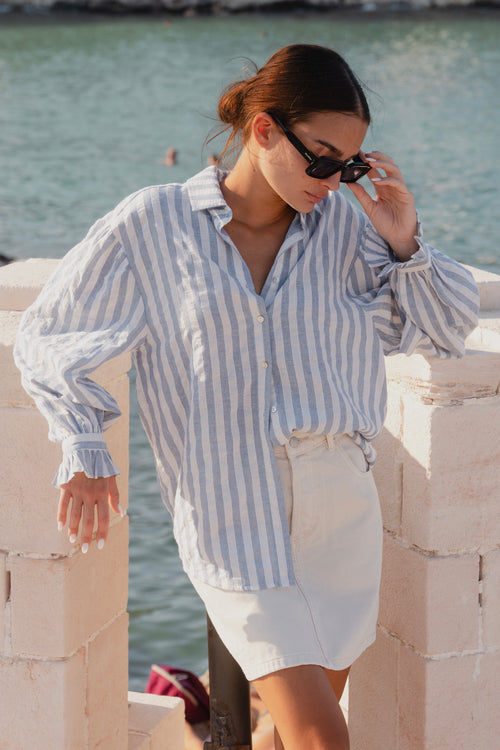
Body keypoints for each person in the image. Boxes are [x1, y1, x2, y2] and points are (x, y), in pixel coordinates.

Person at [14, 44, 479, 750]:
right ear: (264, 130)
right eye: (321, 158)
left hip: (341, 513)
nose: (332, 179)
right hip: (231, 517)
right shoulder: (152, 226)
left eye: (347, 165)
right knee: (324, 737)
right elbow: (51, 337)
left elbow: (445, 330)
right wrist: (84, 446)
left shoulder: (350, 230)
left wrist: (405, 240)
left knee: (289, 736)